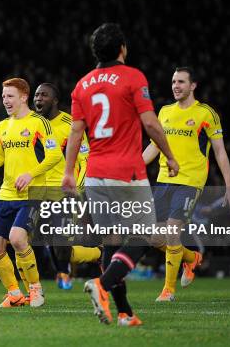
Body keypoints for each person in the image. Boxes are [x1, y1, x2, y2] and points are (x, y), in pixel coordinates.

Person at [62, 23, 179, 326]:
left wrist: (68, 172)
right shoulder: (132, 77)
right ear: (123, 48)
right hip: (126, 172)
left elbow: (76, 132)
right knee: (144, 235)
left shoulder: (82, 85)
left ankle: (125, 312)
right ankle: (102, 284)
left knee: (112, 242)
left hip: (96, 175)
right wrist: (169, 155)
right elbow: (151, 123)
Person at [143, 66, 230, 301]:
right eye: (174, 81)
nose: (176, 86)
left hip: (191, 181)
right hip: (164, 180)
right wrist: (132, 170)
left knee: (173, 232)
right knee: (153, 237)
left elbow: (220, 152)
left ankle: (168, 290)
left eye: (181, 82)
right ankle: (190, 258)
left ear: (193, 86)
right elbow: (154, 146)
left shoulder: (206, 114)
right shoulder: (164, 111)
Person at [0, 78, 62, 308]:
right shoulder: (3, 126)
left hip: (33, 193)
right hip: (7, 194)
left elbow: (55, 156)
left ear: (24, 97)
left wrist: (31, 174)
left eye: (10, 96)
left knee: (16, 238)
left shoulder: (39, 123)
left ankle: (35, 290)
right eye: (3, 96)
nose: (5, 100)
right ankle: (14, 293)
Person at [33, 83, 101, 290]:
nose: (38, 99)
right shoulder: (30, 123)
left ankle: (96, 254)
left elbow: (85, 159)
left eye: (44, 95)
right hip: (37, 190)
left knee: (61, 239)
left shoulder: (70, 124)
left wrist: (77, 188)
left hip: (63, 192)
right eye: (36, 95)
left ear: (55, 100)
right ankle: (62, 271)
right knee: (41, 238)